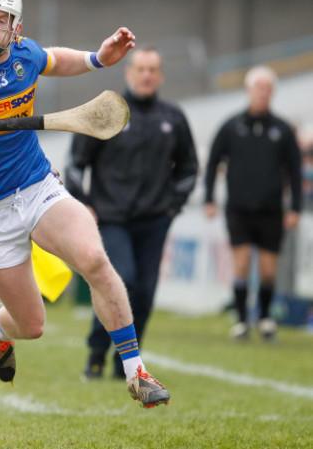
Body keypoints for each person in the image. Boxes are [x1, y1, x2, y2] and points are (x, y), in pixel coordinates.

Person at [0, 0, 170, 408]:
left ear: (16, 29)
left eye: (2, 20)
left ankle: (135, 371)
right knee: (31, 325)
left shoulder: (24, 56)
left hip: (36, 185)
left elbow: (53, 58)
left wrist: (97, 59)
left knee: (95, 259)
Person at [65, 47, 199, 380]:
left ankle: (123, 365)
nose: (146, 75)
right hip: (111, 218)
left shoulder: (173, 117)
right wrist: (84, 204)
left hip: (155, 220)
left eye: (153, 69)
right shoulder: (107, 112)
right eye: (140, 68)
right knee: (120, 281)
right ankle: (97, 351)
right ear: (128, 73)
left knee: (147, 292)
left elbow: (189, 168)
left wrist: (172, 207)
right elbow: (74, 164)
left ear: (161, 75)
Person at [204, 65, 302, 342]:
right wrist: (210, 198)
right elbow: (213, 162)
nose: (263, 93)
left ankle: (266, 318)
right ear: (249, 91)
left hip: (271, 209)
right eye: (258, 88)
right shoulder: (232, 126)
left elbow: (294, 170)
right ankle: (241, 319)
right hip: (239, 208)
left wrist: (294, 206)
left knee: (269, 269)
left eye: (267, 89)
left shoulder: (282, 130)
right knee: (242, 263)